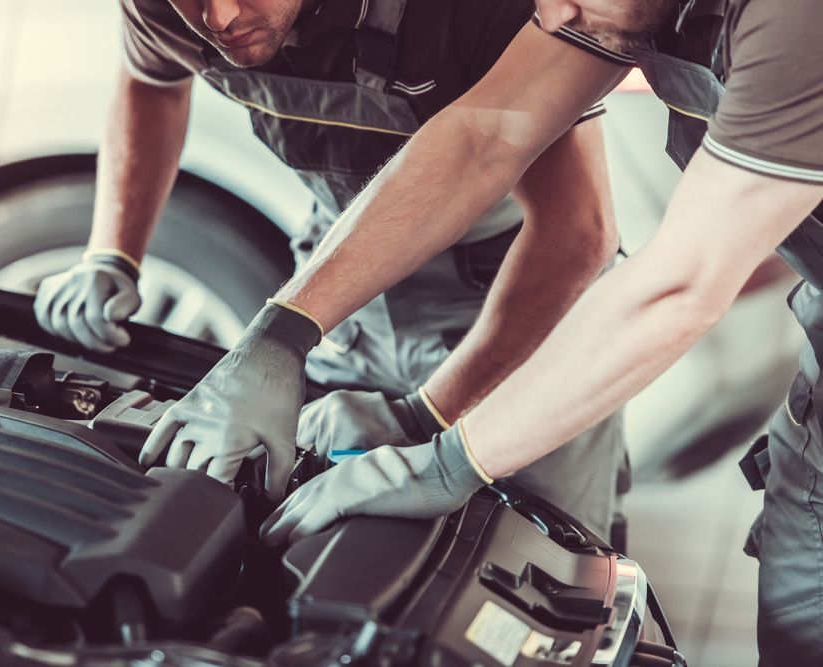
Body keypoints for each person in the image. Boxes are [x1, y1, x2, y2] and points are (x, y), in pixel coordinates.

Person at [256, 0, 823, 663]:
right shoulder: (615, 7)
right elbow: (484, 136)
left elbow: (679, 285)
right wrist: (280, 333)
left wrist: (451, 459)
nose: (550, 13)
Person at [35, 0, 628, 538]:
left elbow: (578, 235)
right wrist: (112, 251)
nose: (217, 18)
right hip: (342, 296)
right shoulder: (162, 9)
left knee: (526, 552)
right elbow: (151, 80)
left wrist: (428, 414)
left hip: (522, 304)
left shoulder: (468, 12)